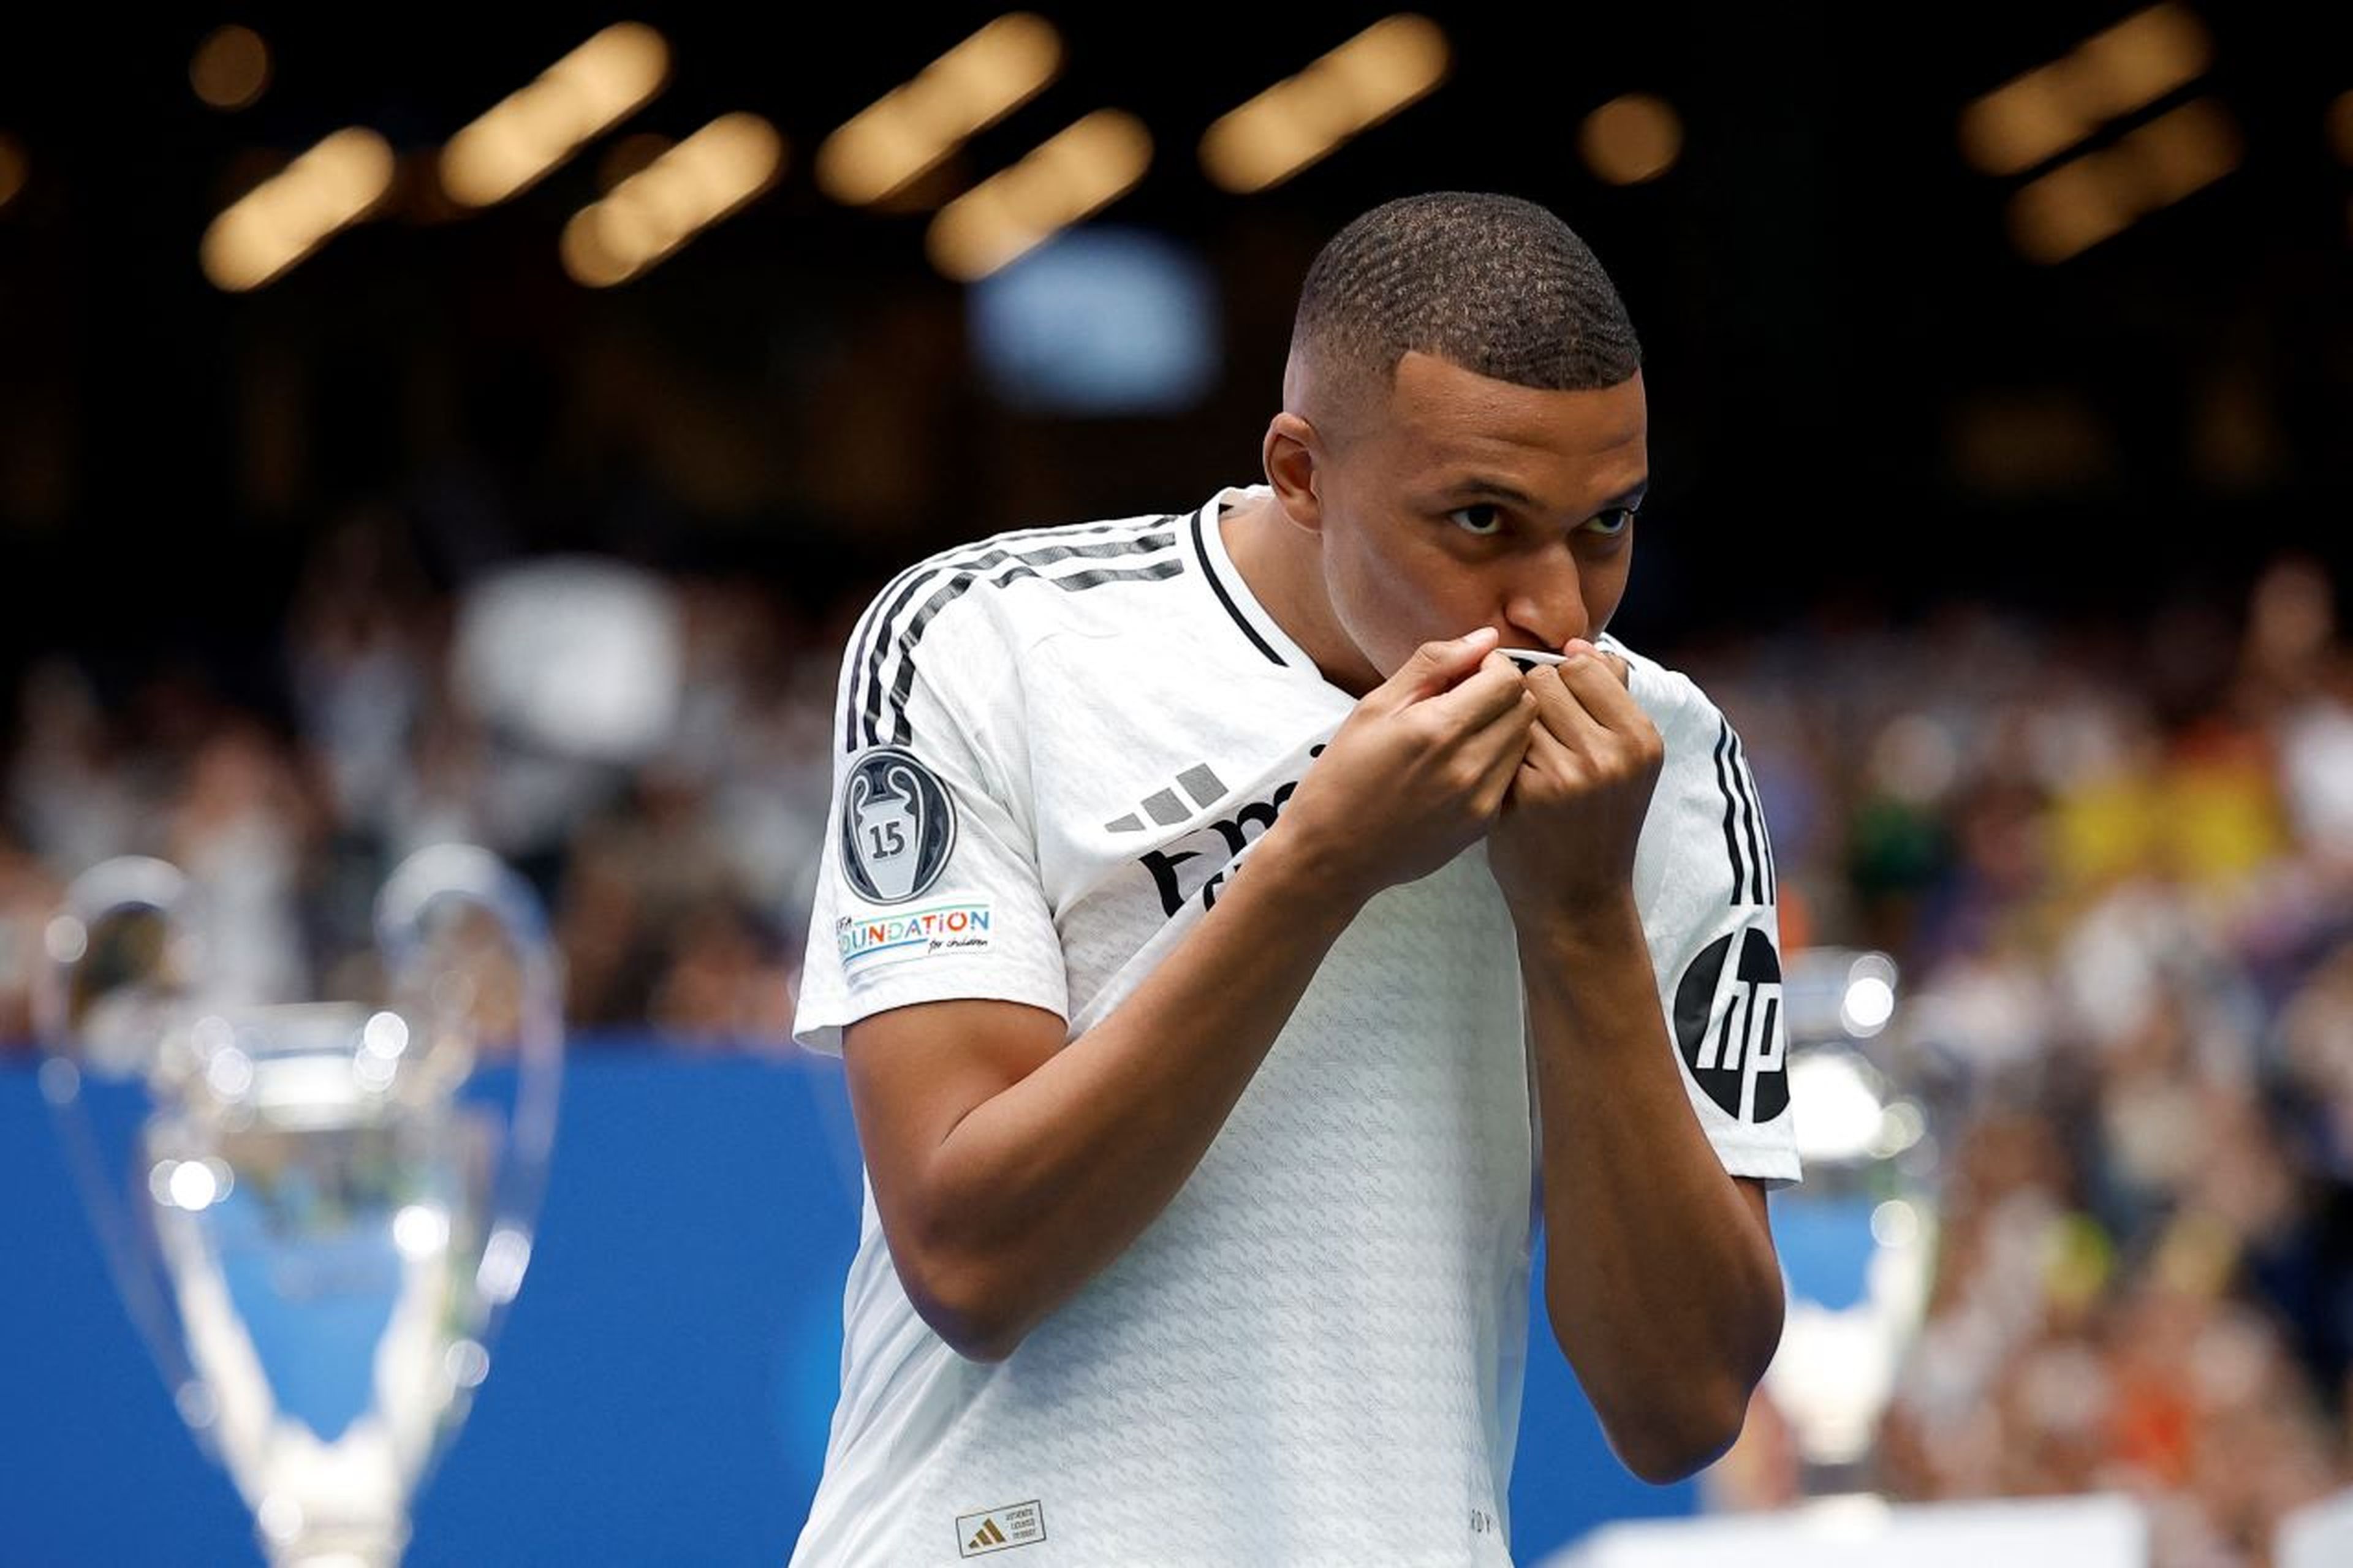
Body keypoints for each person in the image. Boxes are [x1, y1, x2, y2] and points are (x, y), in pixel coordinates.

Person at [788, 191, 1799, 1566]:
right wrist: (1319, 861)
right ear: (1302, 471)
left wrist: (1576, 914)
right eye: (1483, 519)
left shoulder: (1661, 756)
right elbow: (970, 1257)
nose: (1557, 610)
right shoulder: (985, 640)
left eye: (1606, 523)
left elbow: (1680, 1406)